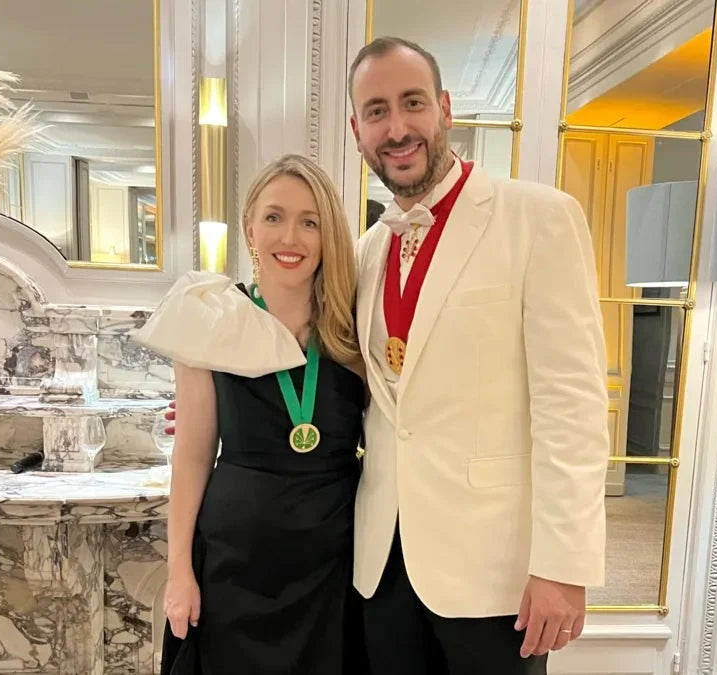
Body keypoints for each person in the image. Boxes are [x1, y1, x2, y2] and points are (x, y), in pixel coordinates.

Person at [347, 37, 611, 674]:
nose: (398, 126)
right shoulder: (365, 252)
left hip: (497, 574)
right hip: (383, 563)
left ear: (444, 109)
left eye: (413, 103)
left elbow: (571, 407)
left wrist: (563, 565)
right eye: (377, 111)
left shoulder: (538, 218)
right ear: (357, 131)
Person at [134, 154, 368, 674]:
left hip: (333, 561)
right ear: (249, 228)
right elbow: (192, 457)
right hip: (233, 561)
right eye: (274, 217)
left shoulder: (355, 330)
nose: (291, 237)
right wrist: (178, 574)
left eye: (310, 221)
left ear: (328, 234)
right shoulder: (209, 321)